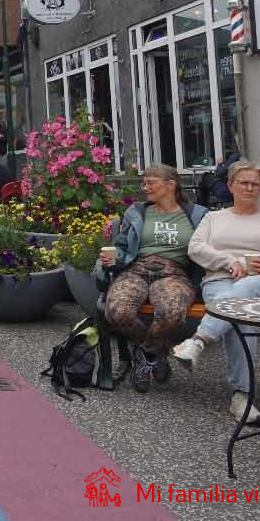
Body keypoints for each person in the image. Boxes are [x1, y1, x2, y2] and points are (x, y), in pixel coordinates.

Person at [172, 160, 260, 423]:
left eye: (255, 183)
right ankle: (241, 396)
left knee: (247, 289)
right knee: (240, 319)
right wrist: (230, 262)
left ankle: (199, 340)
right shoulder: (213, 218)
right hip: (221, 280)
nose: (249, 187)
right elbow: (196, 249)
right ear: (230, 185)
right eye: (243, 182)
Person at [98, 164, 208, 393]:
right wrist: (114, 257)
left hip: (174, 272)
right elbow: (121, 245)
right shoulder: (137, 212)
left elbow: (207, 249)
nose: (144, 187)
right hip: (136, 269)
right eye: (144, 182)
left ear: (170, 184)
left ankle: (145, 353)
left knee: (171, 313)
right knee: (117, 310)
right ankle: (157, 353)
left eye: (150, 182)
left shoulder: (198, 215)